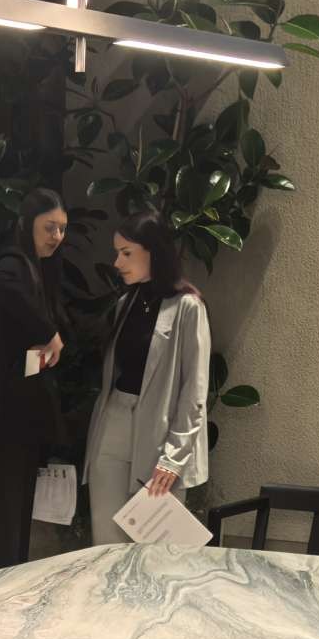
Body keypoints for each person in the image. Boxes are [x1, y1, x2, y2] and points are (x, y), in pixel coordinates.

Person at [0, 189, 68, 573]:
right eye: (49, 227)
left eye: (62, 229)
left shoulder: (31, 270)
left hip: (11, 429)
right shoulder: (12, 265)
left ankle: (4, 605)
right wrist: (48, 332)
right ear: (27, 225)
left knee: (12, 540)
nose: (57, 236)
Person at [85, 212, 212, 544]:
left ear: (153, 251)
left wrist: (173, 458)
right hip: (113, 423)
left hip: (159, 431)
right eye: (117, 253)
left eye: (126, 253)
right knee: (106, 542)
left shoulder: (187, 307)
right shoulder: (125, 304)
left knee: (155, 549)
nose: (117, 262)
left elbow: (194, 391)